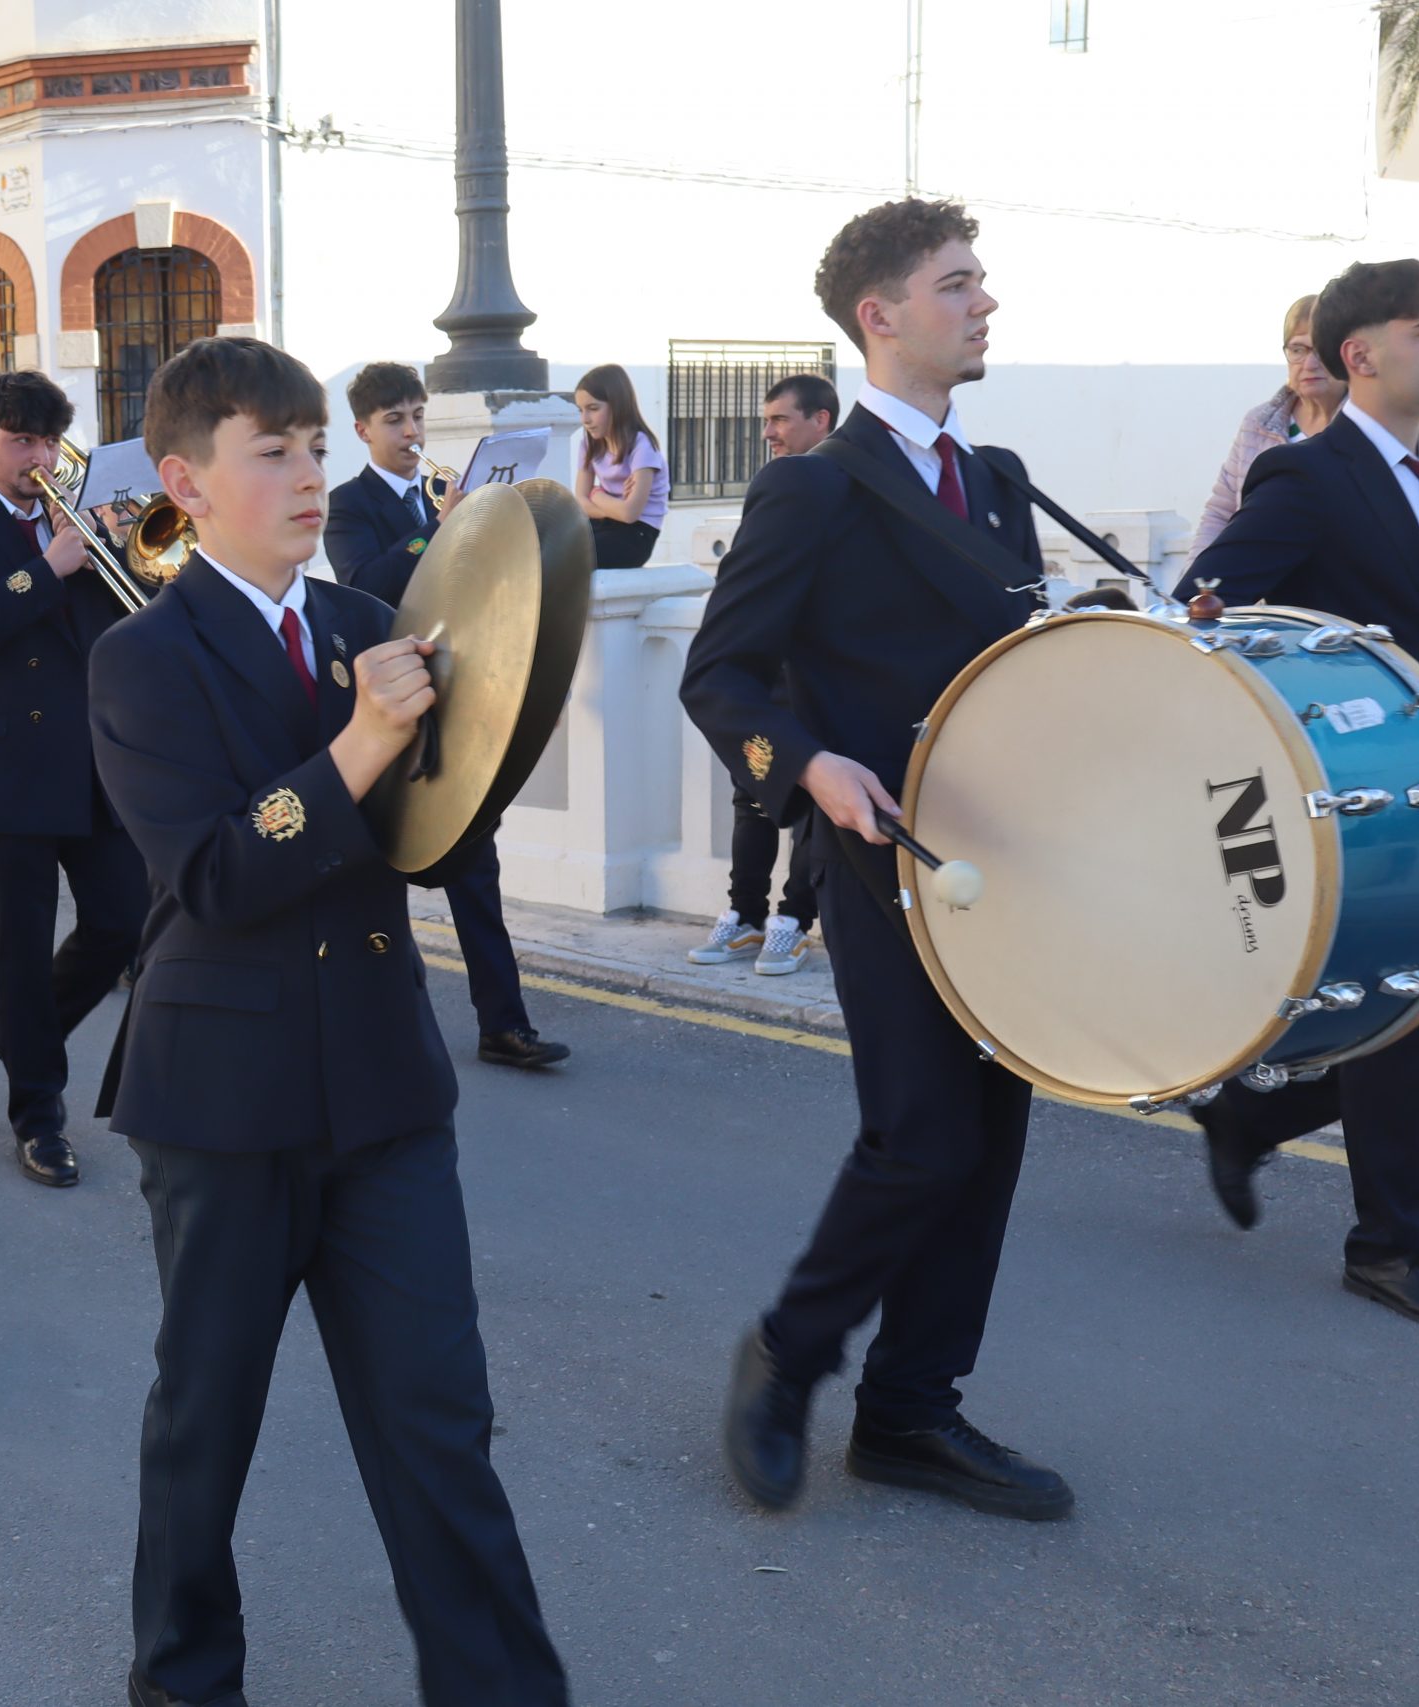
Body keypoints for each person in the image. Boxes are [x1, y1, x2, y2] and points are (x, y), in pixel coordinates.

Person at [90, 337, 568, 1707]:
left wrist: (476, 733)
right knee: (207, 1420)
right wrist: (362, 743)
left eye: (315, 448)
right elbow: (215, 876)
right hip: (222, 1098)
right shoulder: (141, 657)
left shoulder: (373, 619)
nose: (310, 475)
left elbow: (434, 839)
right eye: (273, 452)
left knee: (440, 1422)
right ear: (186, 480)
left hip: (382, 1085)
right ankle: (184, 1681)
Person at [681, 199, 1074, 1522]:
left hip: (1006, 858)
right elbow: (720, 674)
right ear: (880, 315)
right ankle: (787, 1357)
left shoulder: (999, 478)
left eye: (981, 281)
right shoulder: (813, 486)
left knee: (990, 1140)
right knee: (919, 1138)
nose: (984, 302)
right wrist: (808, 767)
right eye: (957, 284)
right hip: (882, 859)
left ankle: (910, 1409)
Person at [1180, 258, 1419, 1330]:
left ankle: (1249, 1118)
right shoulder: (1307, 475)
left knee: (1416, 1006)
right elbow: (1209, 612)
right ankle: (1387, 1245)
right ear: (1360, 354)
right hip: (1367, 789)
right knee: (1407, 1002)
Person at [0, 370, 148, 1188]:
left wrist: (122, 550)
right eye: (21, 442)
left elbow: (134, 621)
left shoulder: (81, 520)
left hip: (91, 758)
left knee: (122, 920)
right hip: (7, 762)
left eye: (48, 442)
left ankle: (21, 1031)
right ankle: (38, 1115)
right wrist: (47, 567)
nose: (39, 459)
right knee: (23, 939)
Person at [322, 359, 569, 1066]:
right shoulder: (348, 503)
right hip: (385, 706)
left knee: (475, 865)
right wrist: (437, 531)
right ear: (363, 430)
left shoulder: (444, 493)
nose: (411, 431)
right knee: (377, 874)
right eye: (394, 420)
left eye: (417, 416)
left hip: (454, 699)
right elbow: (364, 581)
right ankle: (379, 1026)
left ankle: (504, 1024)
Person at [688, 372, 835, 977]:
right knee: (751, 794)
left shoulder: (840, 488)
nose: (767, 432)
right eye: (766, 419)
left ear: (821, 420)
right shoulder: (774, 485)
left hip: (815, 681)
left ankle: (792, 923)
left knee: (811, 802)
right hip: (763, 677)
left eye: (779, 419)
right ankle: (745, 915)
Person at [1189, 293, 1346, 559]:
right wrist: (1196, 579)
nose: (1309, 364)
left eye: (1321, 350)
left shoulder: (1366, 426)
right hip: (1258, 581)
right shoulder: (1258, 424)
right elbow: (1220, 514)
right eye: (1297, 350)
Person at [574, 363, 671, 568]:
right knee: (549, 543)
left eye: (593, 409)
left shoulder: (642, 447)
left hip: (637, 533)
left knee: (573, 555)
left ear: (617, 405)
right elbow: (580, 502)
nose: (585, 419)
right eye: (581, 410)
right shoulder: (589, 444)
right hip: (604, 523)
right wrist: (612, 508)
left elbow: (630, 514)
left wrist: (596, 495)